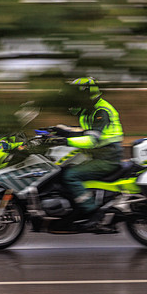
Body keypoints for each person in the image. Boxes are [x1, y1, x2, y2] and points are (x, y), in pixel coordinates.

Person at [56, 77, 123, 231]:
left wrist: (65, 141)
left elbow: (91, 140)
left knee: (70, 175)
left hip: (107, 157)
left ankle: (93, 212)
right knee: (62, 169)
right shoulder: (89, 110)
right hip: (97, 155)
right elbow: (83, 132)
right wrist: (60, 131)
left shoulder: (101, 111)